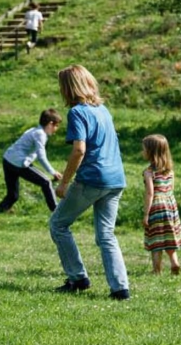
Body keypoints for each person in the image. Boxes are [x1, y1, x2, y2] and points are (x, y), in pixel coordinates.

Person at [49, 65, 130, 300]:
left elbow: (79, 150)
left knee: (58, 224)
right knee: (106, 235)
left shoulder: (77, 112)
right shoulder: (103, 110)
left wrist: (64, 183)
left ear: (68, 88)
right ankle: (120, 289)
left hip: (93, 178)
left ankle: (77, 278)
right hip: (116, 179)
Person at [0, 108, 63, 213]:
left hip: (8, 160)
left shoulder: (33, 130)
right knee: (46, 182)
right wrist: (53, 172)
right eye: (56, 126)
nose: (56, 129)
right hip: (18, 163)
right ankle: (57, 212)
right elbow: (41, 157)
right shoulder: (40, 134)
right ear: (50, 124)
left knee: (13, 195)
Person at [141, 134, 181, 275]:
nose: (142, 152)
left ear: (151, 152)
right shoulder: (170, 171)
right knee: (169, 235)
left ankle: (156, 270)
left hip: (156, 206)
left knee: (157, 238)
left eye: (144, 149)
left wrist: (146, 214)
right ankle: (174, 262)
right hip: (170, 204)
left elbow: (150, 193)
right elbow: (171, 190)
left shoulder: (149, 172)